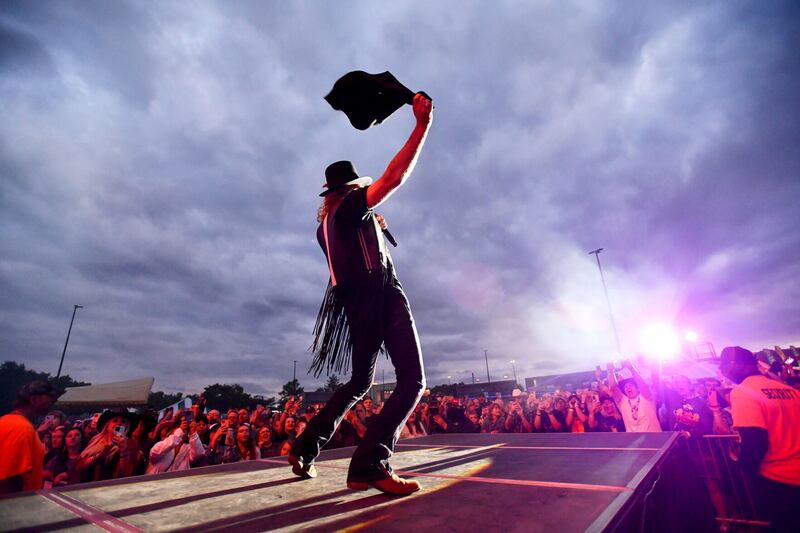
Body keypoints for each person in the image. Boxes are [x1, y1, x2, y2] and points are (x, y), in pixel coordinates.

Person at [290, 92, 434, 496]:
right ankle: (370, 464)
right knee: (413, 380)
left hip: (352, 307)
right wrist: (421, 125)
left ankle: (305, 446)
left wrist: (371, 223)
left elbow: (353, 250)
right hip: (381, 295)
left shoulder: (327, 225)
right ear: (351, 188)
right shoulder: (354, 208)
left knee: (358, 381)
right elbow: (393, 178)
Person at [719, 346, 800, 532]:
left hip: (779, 480)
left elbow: (755, 442)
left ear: (737, 365)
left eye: (724, 366)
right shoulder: (789, 390)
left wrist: (744, 467)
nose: (723, 372)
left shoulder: (743, 391)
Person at [0, 380, 62, 494]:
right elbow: (9, 480)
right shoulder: (22, 428)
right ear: (33, 400)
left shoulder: (6, 420)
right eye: (50, 401)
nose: (52, 405)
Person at [607, 360, 661, 433]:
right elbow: (613, 387)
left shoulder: (646, 397)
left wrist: (631, 368)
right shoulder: (623, 401)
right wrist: (610, 371)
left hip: (654, 440)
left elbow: (641, 383)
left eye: (631, 386)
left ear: (637, 388)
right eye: (625, 387)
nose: (628, 388)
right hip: (634, 442)